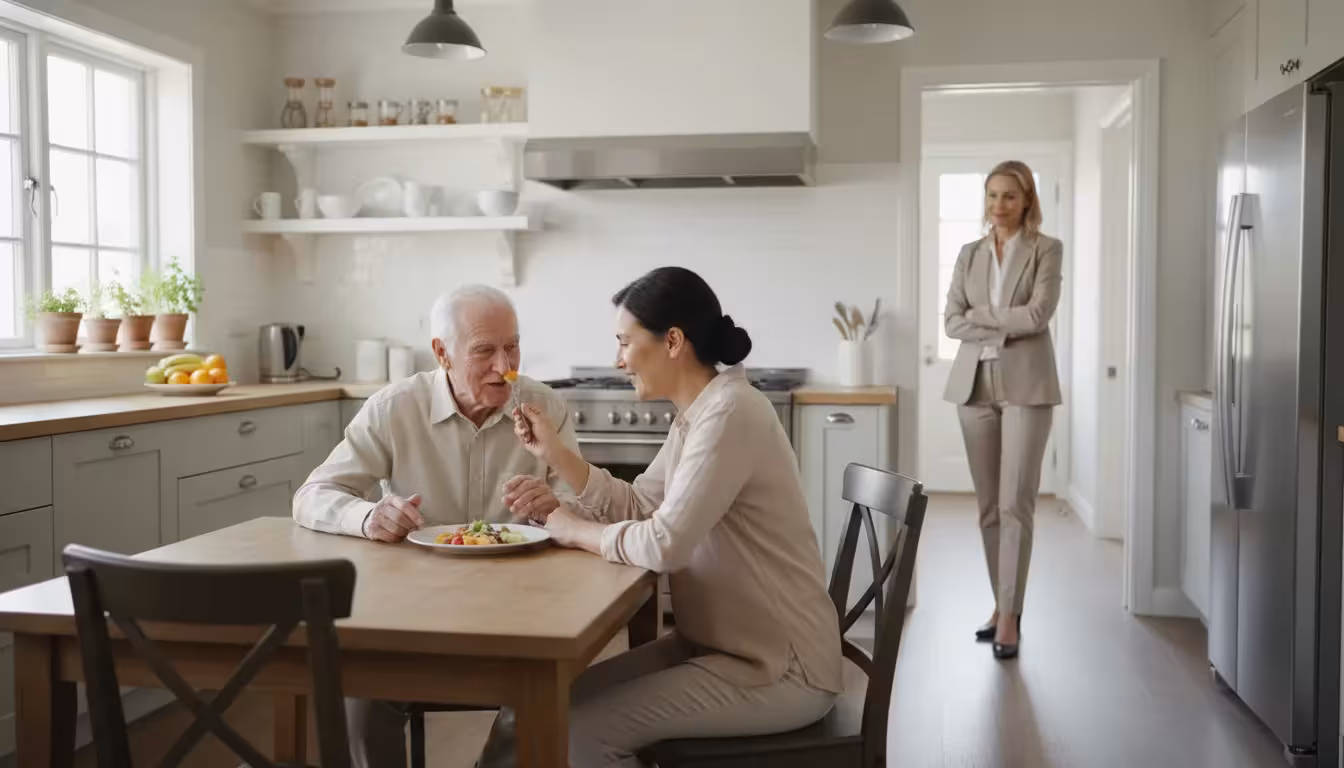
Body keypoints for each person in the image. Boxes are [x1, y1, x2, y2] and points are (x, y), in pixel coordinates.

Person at [485, 266, 843, 768]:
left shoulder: (730, 413)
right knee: (527, 709)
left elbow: (664, 544)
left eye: (624, 342)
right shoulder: (699, 414)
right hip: (716, 647)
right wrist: (556, 457)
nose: (618, 360)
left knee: (578, 732)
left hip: (782, 669)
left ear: (672, 341)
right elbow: (641, 505)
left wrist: (572, 528)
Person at [292, 284, 580, 767]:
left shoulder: (545, 407)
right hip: (412, 611)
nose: (505, 366)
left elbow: (581, 505)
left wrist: (556, 507)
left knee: (547, 690)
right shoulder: (394, 407)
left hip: (523, 609)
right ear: (442, 353)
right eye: (485, 351)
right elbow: (312, 495)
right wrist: (368, 516)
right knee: (360, 688)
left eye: (512, 347)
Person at [942, 160, 1063, 660]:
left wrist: (983, 316)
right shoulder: (968, 253)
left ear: (1027, 199)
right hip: (973, 385)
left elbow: (1038, 314)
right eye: (992, 195)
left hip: (1026, 386)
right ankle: (1001, 604)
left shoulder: (1045, 249)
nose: (999, 205)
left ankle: (1011, 616)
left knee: (1016, 504)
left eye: (1009, 196)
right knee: (989, 508)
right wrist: (999, 321)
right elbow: (951, 322)